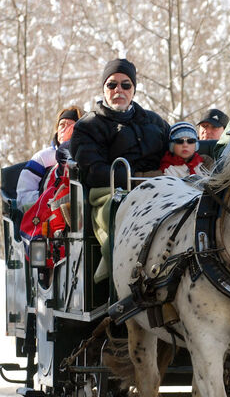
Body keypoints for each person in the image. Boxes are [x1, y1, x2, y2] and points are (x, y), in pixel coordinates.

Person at [70, 58, 170, 281]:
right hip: (109, 193)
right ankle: (116, 291)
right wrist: (137, 179)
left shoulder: (155, 122)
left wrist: (190, 164)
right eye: (112, 85)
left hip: (161, 188)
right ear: (104, 89)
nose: (119, 90)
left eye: (126, 85)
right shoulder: (88, 126)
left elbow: (175, 151)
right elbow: (93, 171)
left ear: (133, 89)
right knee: (127, 216)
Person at [16, 106, 83, 211]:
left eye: (70, 125)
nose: (65, 129)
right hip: (45, 215)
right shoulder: (42, 158)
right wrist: (49, 200)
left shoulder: (86, 155)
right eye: (62, 125)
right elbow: (23, 196)